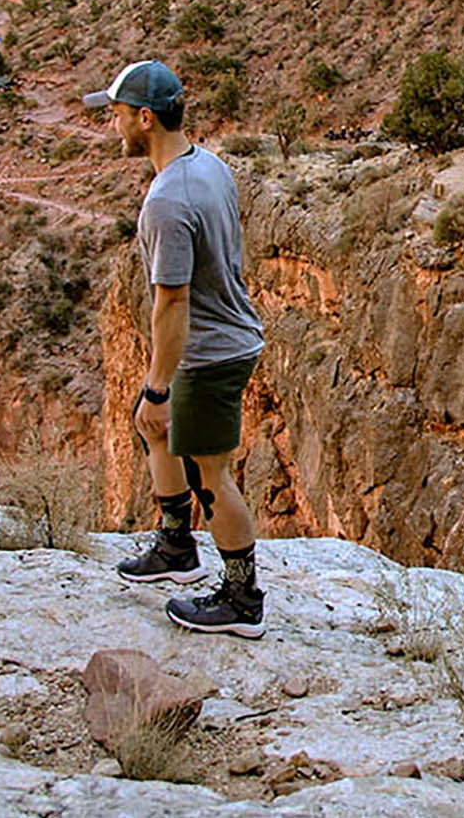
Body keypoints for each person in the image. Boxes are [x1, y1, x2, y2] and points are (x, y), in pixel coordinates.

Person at [85, 60, 269, 638]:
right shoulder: (208, 165)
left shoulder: (166, 201)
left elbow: (172, 304)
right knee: (154, 427)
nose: (112, 125)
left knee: (209, 473)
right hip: (218, 339)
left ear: (145, 118)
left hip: (208, 353)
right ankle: (174, 547)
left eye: (117, 115)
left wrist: (160, 385)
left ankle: (242, 600)